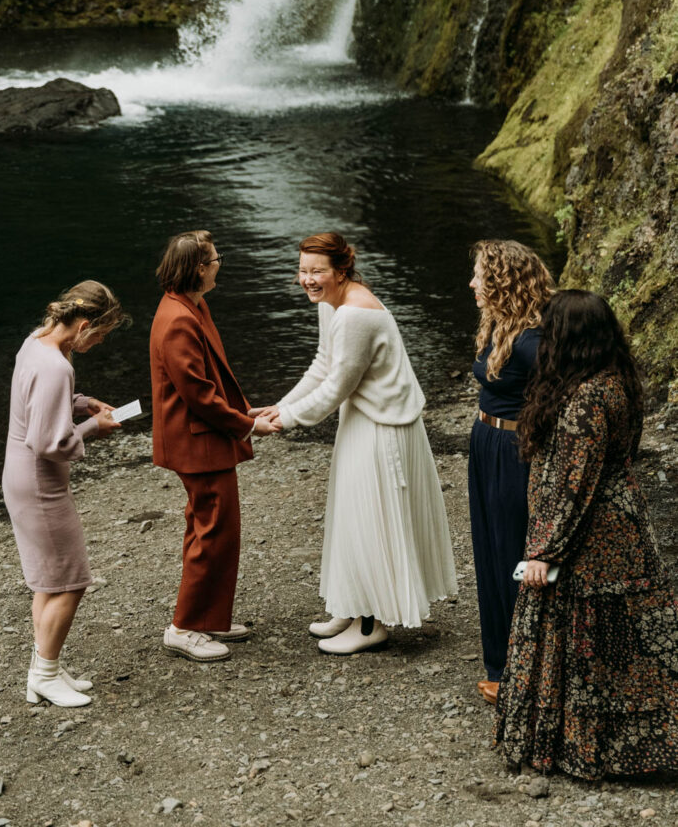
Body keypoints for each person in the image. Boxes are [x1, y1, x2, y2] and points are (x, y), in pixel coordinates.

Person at [495, 290, 678, 778]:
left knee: (584, 640)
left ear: (567, 337)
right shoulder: (615, 380)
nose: (542, 336)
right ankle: (627, 746)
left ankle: (583, 749)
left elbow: (575, 487)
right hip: (625, 523)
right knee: (622, 640)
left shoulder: (585, 400)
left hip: (591, 538)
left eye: (548, 328)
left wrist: (544, 551)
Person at [250, 232, 457, 655]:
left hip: (384, 429)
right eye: (303, 271)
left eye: (317, 272)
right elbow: (324, 364)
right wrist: (279, 405)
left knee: (370, 519)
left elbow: (337, 387)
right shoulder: (333, 304)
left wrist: (286, 421)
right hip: (363, 420)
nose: (307, 280)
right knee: (350, 516)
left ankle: (371, 626)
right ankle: (351, 606)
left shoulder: (355, 314)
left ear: (341, 271)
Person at [150, 230, 279, 663]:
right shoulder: (179, 317)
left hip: (202, 439)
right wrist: (247, 426)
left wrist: (246, 409)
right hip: (196, 444)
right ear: (200, 268)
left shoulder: (191, 305)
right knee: (211, 532)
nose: (219, 263)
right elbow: (198, 395)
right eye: (216, 258)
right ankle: (184, 627)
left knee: (216, 529)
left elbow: (214, 379)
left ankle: (210, 617)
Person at [2, 280, 128, 707]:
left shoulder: (35, 342)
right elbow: (50, 443)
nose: (100, 342)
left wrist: (83, 403)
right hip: (40, 482)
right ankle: (44, 675)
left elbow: (37, 402)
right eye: (101, 334)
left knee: (47, 580)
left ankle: (45, 667)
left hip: (18, 475)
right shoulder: (57, 365)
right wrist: (96, 426)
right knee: (71, 582)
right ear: (85, 324)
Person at [467, 240, 555, 704]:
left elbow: (560, 399)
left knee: (509, 552)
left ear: (504, 281)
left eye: (481, 275)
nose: (473, 283)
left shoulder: (531, 340)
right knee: (487, 549)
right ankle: (500, 660)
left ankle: (518, 670)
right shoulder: (501, 325)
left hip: (512, 448)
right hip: (486, 442)